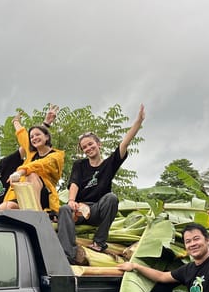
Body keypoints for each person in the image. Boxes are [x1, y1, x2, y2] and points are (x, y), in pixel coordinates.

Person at [57, 104, 145, 264]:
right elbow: (74, 183)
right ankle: (69, 254)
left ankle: (99, 242)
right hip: (80, 211)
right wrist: (71, 202)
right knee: (63, 209)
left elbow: (124, 143)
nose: (88, 148)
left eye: (91, 144)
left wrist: (138, 122)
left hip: (98, 209)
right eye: (84, 147)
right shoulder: (80, 165)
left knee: (111, 198)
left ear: (99, 144)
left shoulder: (109, 163)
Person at [0, 114, 64, 213]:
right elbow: (22, 135)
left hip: (44, 195)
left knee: (32, 174)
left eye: (37, 135)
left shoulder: (56, 156)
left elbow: (40, 164)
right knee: (3, 208)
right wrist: (16, 121)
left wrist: (20, 172)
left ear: (46, 137)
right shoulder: (31, 153)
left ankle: (38, 213)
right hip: (25, 195)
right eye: (32, 137)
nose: (34, 138)